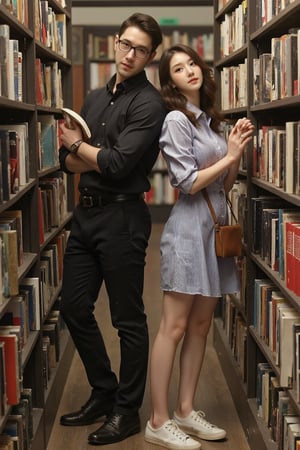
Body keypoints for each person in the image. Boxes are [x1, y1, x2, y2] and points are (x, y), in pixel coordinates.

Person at [58, 12, 166, 446]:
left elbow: (120, 166)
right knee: (73, 307)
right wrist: (87, 154)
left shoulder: (150, 104)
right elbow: (66, 164)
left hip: (123, 219)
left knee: (127, 319)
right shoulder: (94, 98)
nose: (130, 54)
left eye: (141, 49)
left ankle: (127, 412)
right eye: (126, 44)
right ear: (115, 42)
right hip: (85, 216)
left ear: (151, 56)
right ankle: (104, 391)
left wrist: (79, 148)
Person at [144, 44, 254, 450]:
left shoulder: (208, 121)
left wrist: (235, 151)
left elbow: (223, 187)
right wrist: (229, 158)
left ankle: (186, 411)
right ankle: (158, 420)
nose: (189, 70)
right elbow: (188, 182)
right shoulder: (176, 119)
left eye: (191, 63)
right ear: (169, 80)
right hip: (188, 232)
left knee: (201, 326)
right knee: (173, 327)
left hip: (215, 229)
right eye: (178, 68)